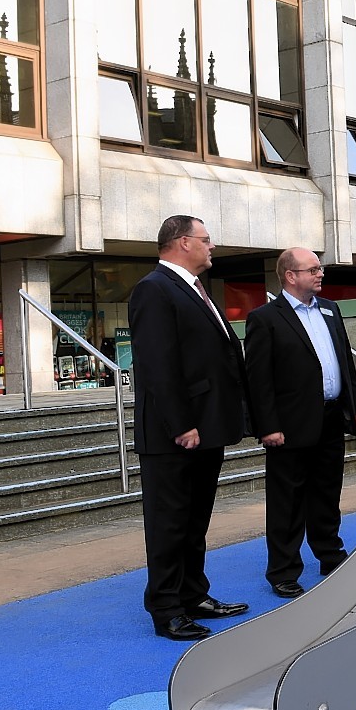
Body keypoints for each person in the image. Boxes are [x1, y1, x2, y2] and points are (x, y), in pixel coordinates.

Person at [128, 215, 250, 641]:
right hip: (174, 435)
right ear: (181, 243)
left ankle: (194, 594)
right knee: (169, 524)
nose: (211, 246)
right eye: (206, 239)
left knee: (195, 522)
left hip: (206, 429)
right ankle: (166, 609)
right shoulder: (154, 289)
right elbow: (157, 365)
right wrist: (181, 424)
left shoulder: (195, 290)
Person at [244, 248, 356, 599]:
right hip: (289, 425)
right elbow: (258, 380)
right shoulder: (265, 318)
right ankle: (283, 570)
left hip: (330, 418)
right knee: (287, 501)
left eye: (320, 267)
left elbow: (343, 358)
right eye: (312, 269)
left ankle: (330, 555)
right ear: (290, 276)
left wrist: (353, 405)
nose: (320, 273)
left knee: (327, 493)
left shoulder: (330, 309)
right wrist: (267, 426)